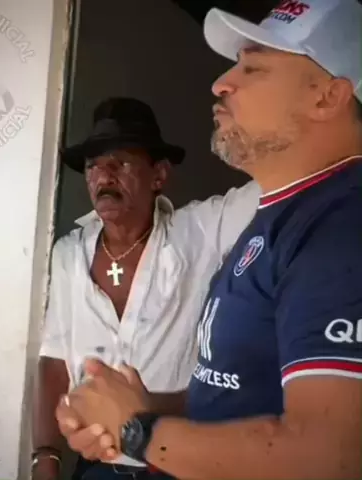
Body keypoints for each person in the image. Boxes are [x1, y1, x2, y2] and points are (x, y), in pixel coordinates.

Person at [56, 1, 362, 479]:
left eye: (253, 67)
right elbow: (232, 396)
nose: (221, 83)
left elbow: (331, 458)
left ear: (326, 98)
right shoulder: (277, 218)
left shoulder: (340, 227)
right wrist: (138, 408)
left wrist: (138, 430)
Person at [32, 97, 260, 479]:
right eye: (92, 166)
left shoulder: (198, 232)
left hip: (176, 463)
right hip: (97, 467)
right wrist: (45, 456)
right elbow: (54, 358)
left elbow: (275, 187)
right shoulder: (69, 254)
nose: (103, 177)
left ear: (158, 175)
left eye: (120, 163)